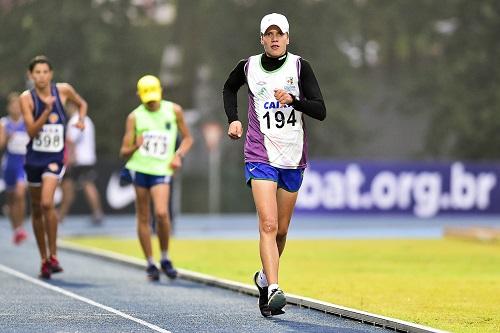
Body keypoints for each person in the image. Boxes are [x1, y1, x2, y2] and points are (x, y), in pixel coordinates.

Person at [222, 13, 326, 317]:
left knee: (280, 231)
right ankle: (274, 289)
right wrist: (234, 119)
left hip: (293, 157)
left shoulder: (299, 67)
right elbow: (229, 88)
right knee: (267, 224)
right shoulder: (248, 66)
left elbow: (320, 110)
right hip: (260, 154)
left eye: (280, 34)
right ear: (262, 39)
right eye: (269, 34)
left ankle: (264, 279)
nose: (275, 38)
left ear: (288, 38)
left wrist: (294, 100)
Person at [20, 55, 87, 279]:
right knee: (37, 208)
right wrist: (47, 112)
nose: (41, 76)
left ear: (51, 74)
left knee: (48, 203)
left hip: (54, 158)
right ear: (31, 75)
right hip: (33, 159)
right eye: (36, 72)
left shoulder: (63, 91)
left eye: (45, 72)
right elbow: (31, 131)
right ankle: (44, 259)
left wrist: (81, 119)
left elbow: (82, 104)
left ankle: (54, 255)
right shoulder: (27, 99)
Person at [119, 74, 193, 281]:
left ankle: (165, 257)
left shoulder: (174, 110)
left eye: (154, 96)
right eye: (147, 97)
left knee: (161, 213)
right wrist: (135, 144)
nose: (152, 101)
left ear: (160, 92)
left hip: (162, 170)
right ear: (139, 96)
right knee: (144, 216)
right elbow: (123, 151)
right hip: (140, 169)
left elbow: (188, 138)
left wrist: (178, 155)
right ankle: (150, 262)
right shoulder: (134, 117)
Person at [58, 102, 103, 225]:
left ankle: (61, 216)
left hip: (78, 160)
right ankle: (61, 215)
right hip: (88, 158)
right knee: (78, 186)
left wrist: (68, 159)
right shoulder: (87, 120)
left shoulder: (75, 120)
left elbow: (70, 141)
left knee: (74, 187)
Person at [0, 92, 30, 245]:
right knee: (11, 198)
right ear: (9, 107)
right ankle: (15, 228)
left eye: (18, 104)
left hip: (22, 163)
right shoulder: (4, 123)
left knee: (20, 193)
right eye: (13, 105)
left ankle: (21, 228)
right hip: (9, 164)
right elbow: (1, 144)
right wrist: (7, 136)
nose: (16, 107)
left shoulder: (27, 121)